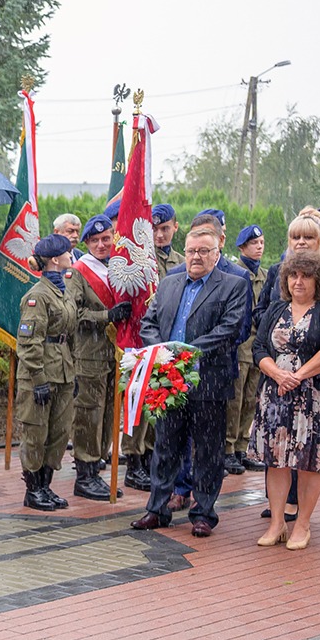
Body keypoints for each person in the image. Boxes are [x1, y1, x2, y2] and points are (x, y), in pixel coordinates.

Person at [130, 226, 247, 538]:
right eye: (193, 250)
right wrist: (164, 354)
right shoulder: (169, 283)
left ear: (216, 254)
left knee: (208, 451)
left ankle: (203, 513)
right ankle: (157, 510)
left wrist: (186, 354)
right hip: (169, 382)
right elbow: (149, 322)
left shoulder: (233, 285)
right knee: (165, 447)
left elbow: (230, 329)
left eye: (204, 251)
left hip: (208, 382)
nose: (197, 257)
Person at [249, 251, 320, 550]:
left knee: (310, 463)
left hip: (312, 399)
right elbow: (259, 348)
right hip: (274, 397)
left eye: (305, 276)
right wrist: (277, 374)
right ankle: (277, 523)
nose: (298, 281)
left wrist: (297, 376)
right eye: (293, 275)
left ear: (317, 280)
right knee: (276, 462)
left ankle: (303, 525)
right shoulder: (276, 308)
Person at [73, 214, 145, 490]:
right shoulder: (79, 271)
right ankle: (85, 472)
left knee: (108, 413)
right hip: (89, 354)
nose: (101, 245)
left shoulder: (118, 268)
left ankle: (98, 464)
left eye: (106, 239)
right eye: (95, 241)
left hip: (117, 353)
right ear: (87, 243)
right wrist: (107, 315)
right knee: (89, 414)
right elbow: (74, 313)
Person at [16, 234, 79, 510]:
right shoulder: (37, 296)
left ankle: (46, 485)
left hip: (63, 371)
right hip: (40, 373)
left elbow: (70, 333)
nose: (70, 255)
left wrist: (72, 373)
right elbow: (29, 342)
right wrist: (38, 379)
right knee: (36, 432)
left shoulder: (62, 290)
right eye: (67, 252)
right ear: (55, 259)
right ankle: (33, 489)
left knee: (58, 432)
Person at [226, 223, 268, 474]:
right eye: (254, 243)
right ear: (242, 247)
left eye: (262, 243)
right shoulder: (235, 273)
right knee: (235, 398)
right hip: (240, 345)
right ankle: (228, 448)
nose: (259, 247)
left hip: (257, 347)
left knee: (251, 398)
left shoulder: (264, 275)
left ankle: (242, 446)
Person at [152, 204, 183, 277]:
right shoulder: (145, 260)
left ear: (175, 227)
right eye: (154, 229)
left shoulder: (182, 262)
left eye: (165, 229)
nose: (159, 235)